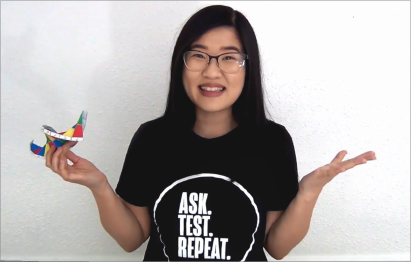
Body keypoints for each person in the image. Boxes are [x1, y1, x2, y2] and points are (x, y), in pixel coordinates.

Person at [45, 4, 376, 261]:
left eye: (229, 57)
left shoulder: (272, 142)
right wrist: (99, 186)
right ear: (181, 63)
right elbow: (132, 239)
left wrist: (307, 193)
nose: (212, 70)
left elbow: (276, 247)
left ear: (248, 67)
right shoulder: (152, 139)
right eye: (199, 55)